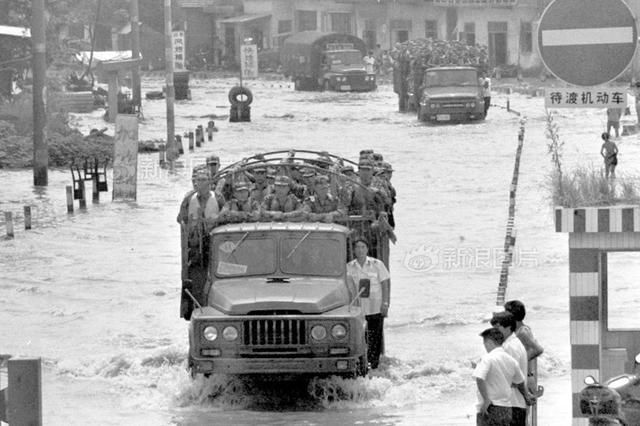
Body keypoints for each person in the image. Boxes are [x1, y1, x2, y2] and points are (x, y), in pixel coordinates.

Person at [346, 238, 390, 369]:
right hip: (358, 309)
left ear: (367, 249)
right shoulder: (348, 267)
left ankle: (374, 365)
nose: (360, 250)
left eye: (363, 247)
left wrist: (385, 302)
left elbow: (385, 284)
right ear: (354, 250)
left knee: (375, 338)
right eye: (357, 247)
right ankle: (361, 365)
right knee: (360, 338)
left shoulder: (377, 264)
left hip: (375, 307)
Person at [473, 328, 530, 426]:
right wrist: (526, 396)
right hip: (506, 409)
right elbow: (520, 382)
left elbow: (479, 378)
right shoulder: (511, 360)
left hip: (490, 408)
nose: (485, 347)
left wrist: (486, 399)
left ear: (489, 342)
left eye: (485, 344)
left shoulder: (487, 358)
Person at [491, 312, 531, 426]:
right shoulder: (513, 344)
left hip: (511, 404)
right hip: (514, 403)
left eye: (497, 327)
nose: (494, 331)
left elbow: (511, 378)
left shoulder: (510, 347)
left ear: (508, 327)